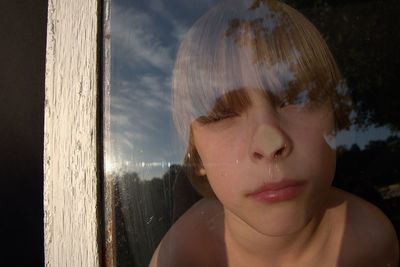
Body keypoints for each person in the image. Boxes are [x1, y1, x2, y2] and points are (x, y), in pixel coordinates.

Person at [149, 0, 399, 266]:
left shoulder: (370, 243)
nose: (271, 142)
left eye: (297, 97)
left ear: (336, 120)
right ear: (196, 155)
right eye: (222, 114)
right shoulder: (182, 256)